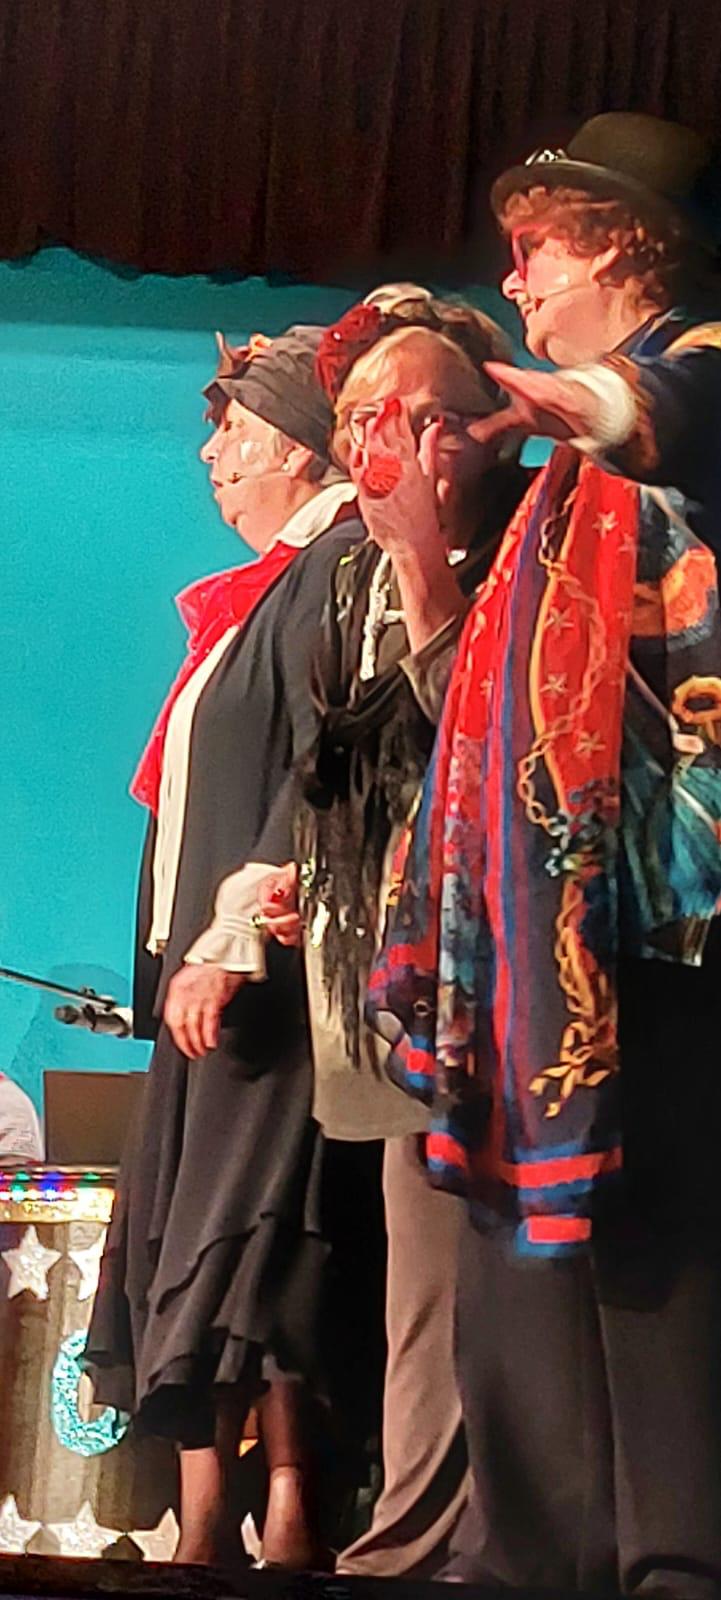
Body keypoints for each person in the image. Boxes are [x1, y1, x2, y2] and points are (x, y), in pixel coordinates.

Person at [367, 115, 721, 1595]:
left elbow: (661, 408)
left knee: (655, 1261)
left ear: (627, 246)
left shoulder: (694, 370)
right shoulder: (558, 488)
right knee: (527, 1256)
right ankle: (538, 1558)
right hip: (546, 927)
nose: (513, 279)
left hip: (666, 918)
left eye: (540, 250)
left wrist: (567, 399)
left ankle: (672, 1565)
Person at [256, 287, 528, 1576]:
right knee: (409, 1280)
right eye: (361, 417)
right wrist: (292, 875)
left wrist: (424, 563)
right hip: (376, 977)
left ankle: (427, 1545)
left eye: (414, 417)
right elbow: (347, 753)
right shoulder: (352, 571)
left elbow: (489, 746)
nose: (381, 443)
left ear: (477, 430)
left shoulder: (523, 540)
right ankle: (415, 1531)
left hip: (497, 983)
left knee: (472, 1282)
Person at [85, 326, 364, 1569]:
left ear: (300, 449)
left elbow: (321, 763)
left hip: (270, 977)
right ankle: (204, 1515)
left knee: (258, 1239)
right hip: (202, 980)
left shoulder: (336, 565)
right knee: (183, 1236)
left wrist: (240, 929)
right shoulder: (253, 595)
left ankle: (291, 1505)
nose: (212, 455)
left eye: (236, 432)